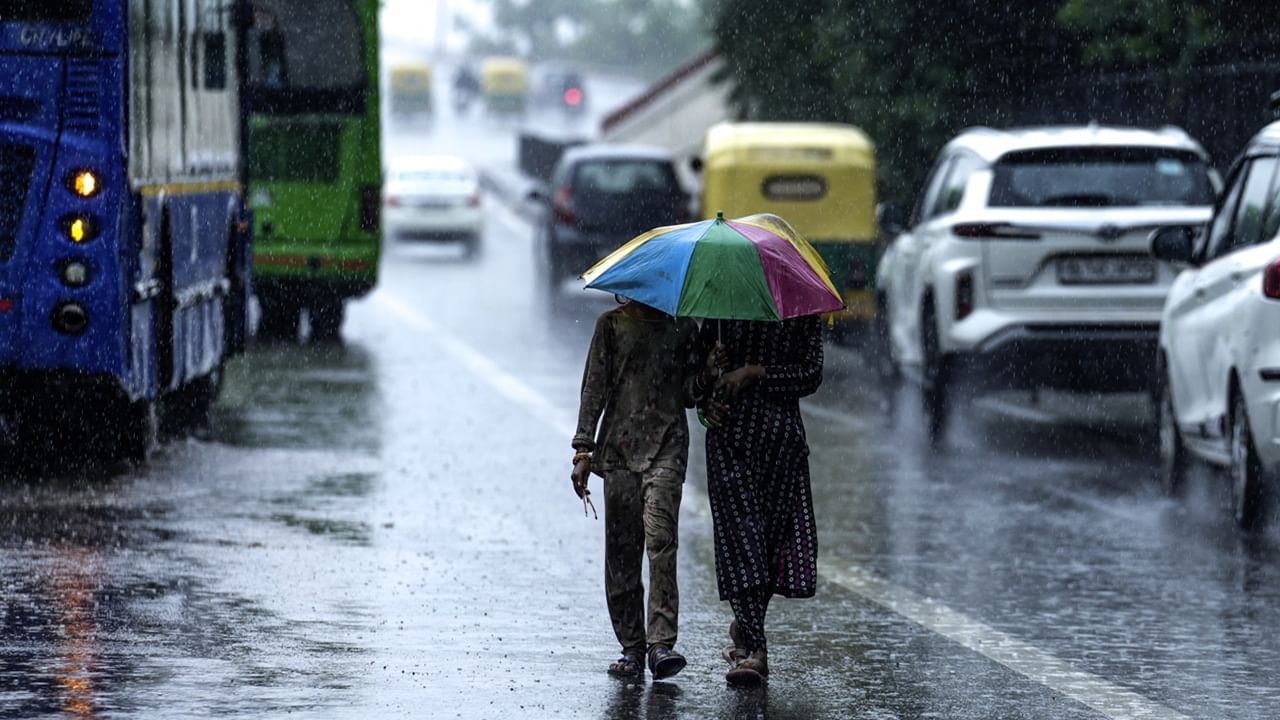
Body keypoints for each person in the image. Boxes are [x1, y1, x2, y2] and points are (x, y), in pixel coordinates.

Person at [571, 299, 720, 680]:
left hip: (666, 451)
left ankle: (661, 644)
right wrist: (583, 449)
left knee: (660, 542)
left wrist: (707, 374)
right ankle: (632, 647)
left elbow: (689, 394)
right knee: (622, 552)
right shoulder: (611, 327)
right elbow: (595, 387)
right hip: (619, 454)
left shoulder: (683, 328)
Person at [694, 316, 824, 687]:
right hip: (729, 440)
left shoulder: (799, 312)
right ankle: (756, 650)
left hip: (781, 445)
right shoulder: (723, 305)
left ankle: (746, 629)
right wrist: (709, 379)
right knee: (742, 542)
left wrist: (755, 372)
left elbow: (811, 374)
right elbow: (694, 380)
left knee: (766, 547)